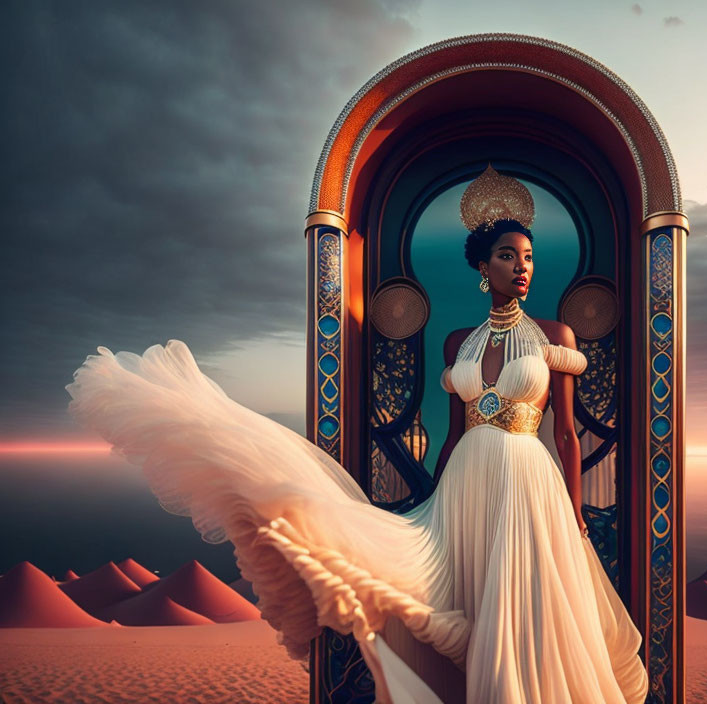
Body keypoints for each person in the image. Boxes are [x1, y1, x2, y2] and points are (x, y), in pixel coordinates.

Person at [66, 165, 648, 703]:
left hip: (527, 481)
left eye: (527, 257)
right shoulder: (457, 344)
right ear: (483, 267)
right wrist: (435, 499)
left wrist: (573, 510)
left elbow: (567, 434)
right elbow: (450, 436)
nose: (521, 267)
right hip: (465, 484)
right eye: (507, 256)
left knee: (521, 604)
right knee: (456, 590)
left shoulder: (556, 334)